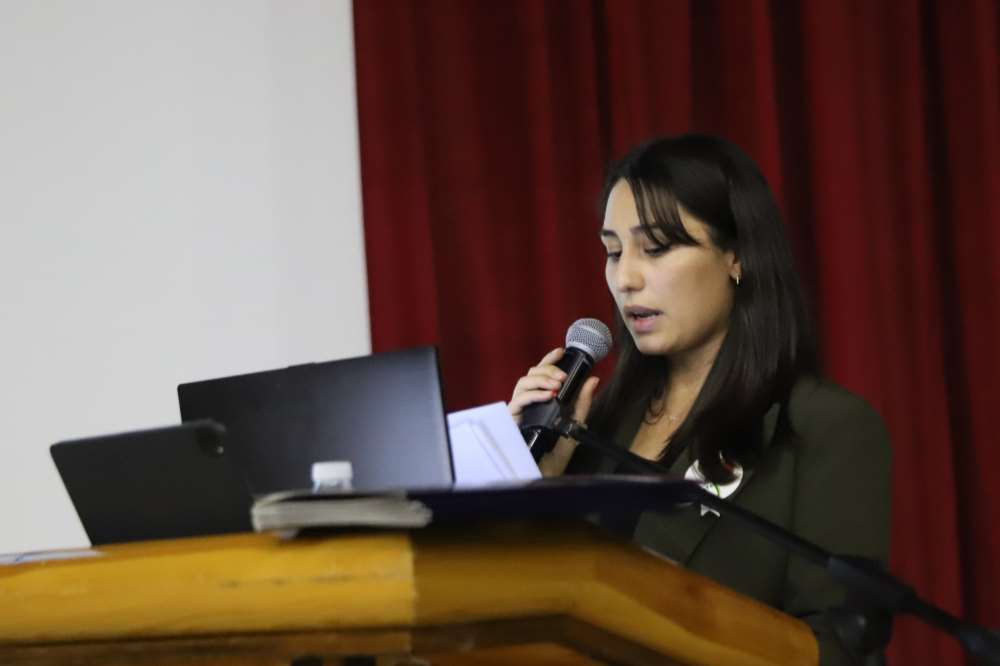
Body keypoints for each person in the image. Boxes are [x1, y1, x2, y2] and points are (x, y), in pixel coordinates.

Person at [508, 134, 891, 666]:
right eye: (613, 252)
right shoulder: (594, 425)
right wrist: (535, 481)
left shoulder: (824, 425)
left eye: (656, 248)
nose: (625, 278)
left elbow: (839, 647)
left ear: (737, 256)